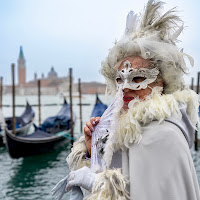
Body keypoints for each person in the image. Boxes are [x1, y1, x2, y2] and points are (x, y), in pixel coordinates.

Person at [52, 0, 200, 199]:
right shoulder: (126, 129)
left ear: (162, 81)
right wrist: (93, 151)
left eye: (138, 78)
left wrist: (96, 184)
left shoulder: (163, 134)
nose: (126, 88)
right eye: (119, 80)